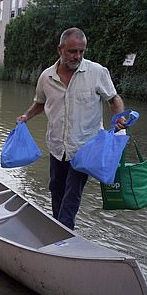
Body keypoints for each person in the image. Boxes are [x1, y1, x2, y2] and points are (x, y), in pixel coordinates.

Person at [17, 27, 127, 230]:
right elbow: (40, 103)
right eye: (72, 51)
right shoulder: (46, 77)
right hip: (57, 145)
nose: (77, 56)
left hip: (85, 146)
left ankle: (63, 233)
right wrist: (26, 116)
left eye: (81, 51)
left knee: (72, 194)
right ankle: (59, 228)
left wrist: (119, 118)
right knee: (55, 188)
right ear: (60, 49)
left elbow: (114, 99)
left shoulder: (97, 72)